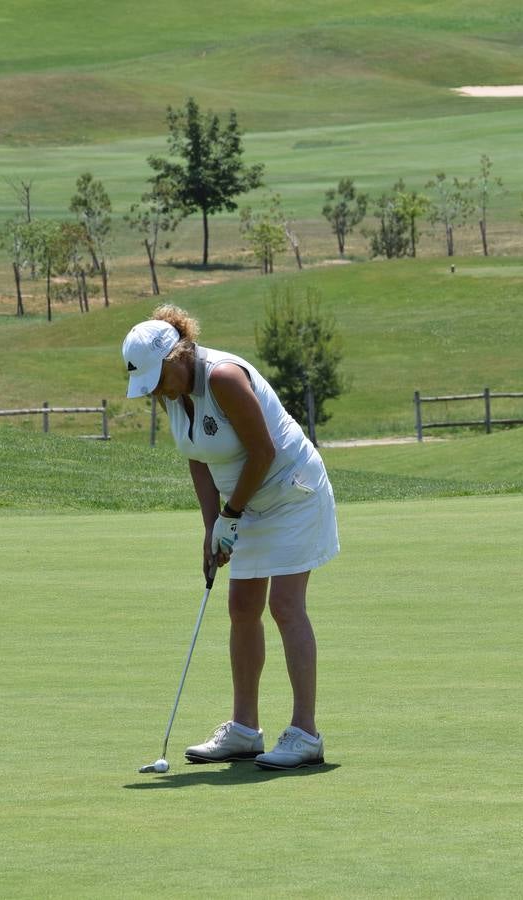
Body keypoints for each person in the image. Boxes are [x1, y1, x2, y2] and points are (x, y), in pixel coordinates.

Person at [122, 305, 339, 770]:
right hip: (244, 501)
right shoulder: (171, 391)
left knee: (284, 605)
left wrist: (232, 513)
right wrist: (211, 527)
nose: (155, 392)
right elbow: (197, 457)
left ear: (178, 355)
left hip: (291, 492)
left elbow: (263, 450)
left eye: (158, 380)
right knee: (241, 608)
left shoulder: (223, 377)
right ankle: (244, 730)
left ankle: (306, 734)